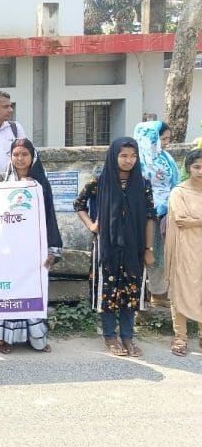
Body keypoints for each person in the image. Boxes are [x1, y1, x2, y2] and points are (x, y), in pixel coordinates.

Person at [73, 138, 157, 357]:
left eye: (133, 156)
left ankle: (128, 337)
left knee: (131, 290)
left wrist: (148, 249)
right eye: (123, 155)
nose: (129, 160)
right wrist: (92, 225)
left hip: (135, 247)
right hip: (106, 246)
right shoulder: (100, 181)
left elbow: (150, 216)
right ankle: (110, 336)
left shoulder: (143, 182)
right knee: (108, 291)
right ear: (114, 156)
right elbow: (79, 204)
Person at [0, 139, 62, 354]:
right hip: (10, 249)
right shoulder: (5, 183)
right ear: (10, 157)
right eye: (16, 154)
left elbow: (50, 216)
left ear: (33, 157)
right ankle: (6, 339)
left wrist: (52, 248)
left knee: (32, 289)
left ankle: (36, 338)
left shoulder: (40, 184)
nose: (20, 159)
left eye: (24, 154)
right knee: (9, 290)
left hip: (34, 248)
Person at [133, 120, 180, 306]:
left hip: (167, 212)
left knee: (163, 253)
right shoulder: (136, 160)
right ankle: (152, 293)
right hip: (143, 214)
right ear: (150, 138)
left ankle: (159, 291)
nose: (166, 143)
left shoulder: (166, 158)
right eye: (163, 139)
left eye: (168, 139)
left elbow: (174, 182)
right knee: (148, 252)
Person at [164, 149, 202, 357]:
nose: (200, 171)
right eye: (197, 167)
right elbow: (181, 220)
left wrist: (194, 222)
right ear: (188, 168)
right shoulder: (179, 192)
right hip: (184, 249)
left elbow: (190, 221)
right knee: (181, 290)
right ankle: (180, 337)